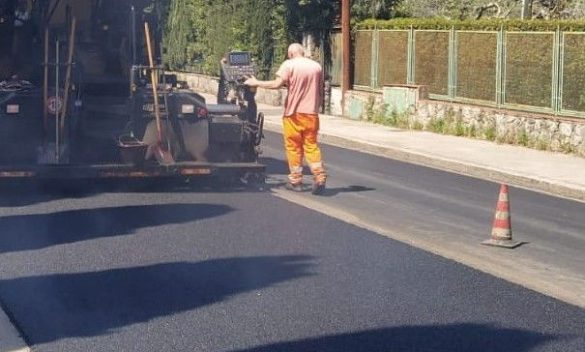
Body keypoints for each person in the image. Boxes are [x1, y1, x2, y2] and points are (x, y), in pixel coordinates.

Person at [244, 43, 326, 195]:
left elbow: (276, 84)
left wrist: (256, 83)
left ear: (290, 54)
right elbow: (320, 91)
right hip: (311, 114)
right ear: (303, 52)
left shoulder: (289, 65)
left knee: (294, 147)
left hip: (293, 114)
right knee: (311, 146)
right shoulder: (317, 67)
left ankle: (296, 181)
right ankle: (319, 176)